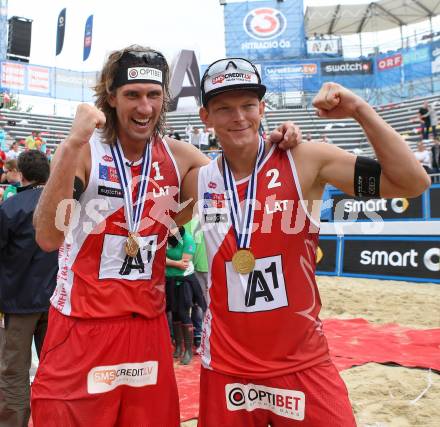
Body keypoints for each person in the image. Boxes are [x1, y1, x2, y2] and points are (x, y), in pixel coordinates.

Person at [31, 45, 298, 426]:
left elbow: (241, 175)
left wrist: (281, 140)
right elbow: (47, 237)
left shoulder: (181, 157)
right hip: (81, 326)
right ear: (111, 97)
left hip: (147, 327)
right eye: (132, 95)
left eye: (154, 95)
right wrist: (72, 145)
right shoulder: (84, 151)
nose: (144, 108)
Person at [180, 57, 431, 426]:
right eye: (224, 108)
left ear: (263, 108)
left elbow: (413, 183)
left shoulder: (304, 159)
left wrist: (360, 110)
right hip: (226, 367)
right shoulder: (198, 180)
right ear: (206, 118)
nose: (239, 117)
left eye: (248, 105)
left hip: (302, 363)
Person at [0, 150, 58, 427]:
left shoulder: (10, 208)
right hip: (56, 302)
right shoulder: (63, 206)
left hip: (19, 303)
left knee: (13, 373)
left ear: (21, 173)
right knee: (56, 371)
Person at [165, 226, 205, 365]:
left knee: (183, 313)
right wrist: (174, 263)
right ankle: (178, 347)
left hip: (184, 281)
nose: (170, 229)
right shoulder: (163, 237)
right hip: (168, 281)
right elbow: (156, 258)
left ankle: (188, 350)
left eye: (173, 226)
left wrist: (167, 262)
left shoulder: (187, 239)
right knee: (174, 313)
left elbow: (184, 264)